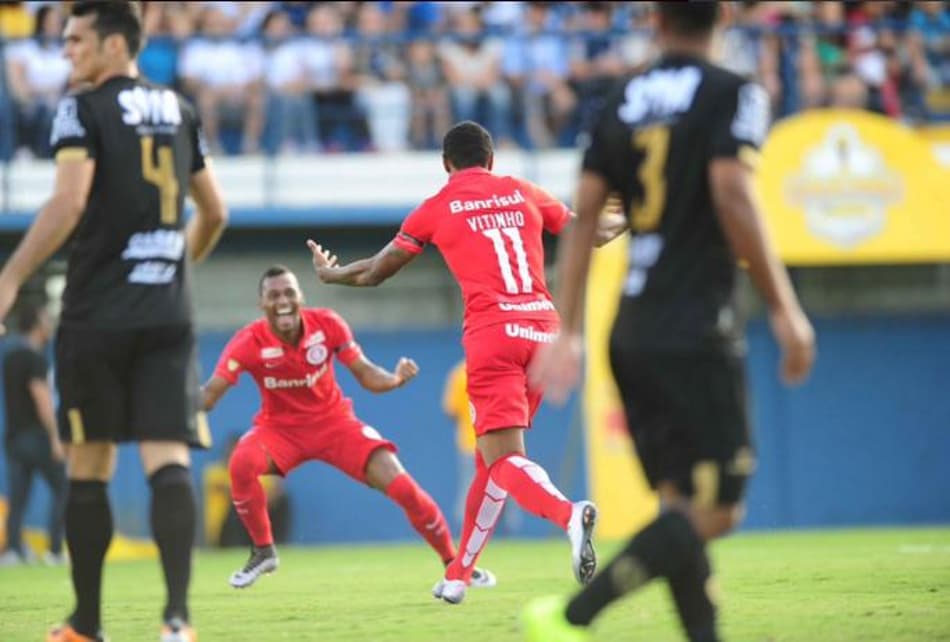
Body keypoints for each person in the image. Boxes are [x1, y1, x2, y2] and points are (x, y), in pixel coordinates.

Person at [523, 4, 817, 642]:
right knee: (720, 509)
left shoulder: (623, 97)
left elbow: (586, 213)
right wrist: (786, 310)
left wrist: (568, 328)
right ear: (726, 15)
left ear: (655, 20)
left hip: (630, 328)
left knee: (679, 505)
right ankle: (574, 616)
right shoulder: (733, 93)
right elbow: (732, 192)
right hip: (695, 326)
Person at [307, 120, 628, 605]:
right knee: (493, 463)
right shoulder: (522, 190)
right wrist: (640, 211)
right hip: (543, 329)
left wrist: (332, 276)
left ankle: (569, 514)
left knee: (504, 461)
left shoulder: (438, 206)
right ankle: (459, 574)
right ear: (492, 159)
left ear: (445, 163)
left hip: (493, 336)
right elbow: (597, 232)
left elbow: (375, 272)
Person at [0, 2, 229, 641]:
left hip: (97, 313)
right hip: (167, 313)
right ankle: (177, 622)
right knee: (168, 459)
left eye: (75, 39)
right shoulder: (179, 109)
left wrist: (11, 275)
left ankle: (87, 625)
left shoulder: (83, 108)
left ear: (112, 45)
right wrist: (176, 259)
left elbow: (69, 200)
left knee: (90, 465)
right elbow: (214, 213)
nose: (66, 51)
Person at [201, 265, 495, 591]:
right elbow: (211, 393)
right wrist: (176, 404)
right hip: (279, 430)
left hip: (335, 424)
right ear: (262, 304)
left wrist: (395, 378)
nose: (282, 300)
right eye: (273, 295)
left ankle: (455, 565)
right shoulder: (248, 341)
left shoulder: (327, 324)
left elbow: (366, 373)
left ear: (301, 297)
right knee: (240, 462)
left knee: (403, 486)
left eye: (289, 293)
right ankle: (263, 551)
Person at [0, 302, 67, 566]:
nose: (49, 325)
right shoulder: (35, 358)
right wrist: (55, 438)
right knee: (63, 488)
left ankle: (13, 550)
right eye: (45, 320)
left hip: (14, 437)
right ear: (37, 325)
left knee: (19, 496)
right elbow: (42, 399)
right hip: (37, 437)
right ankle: (54, 550)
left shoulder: (9, 357)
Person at [442, 359, 520, 534]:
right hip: (501, 442)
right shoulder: (498, 369)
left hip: (471, 443)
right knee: (506, 490)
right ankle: (509, 535)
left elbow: (450, 411)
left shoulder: (458, 374)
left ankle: (468, 535)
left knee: (471, 492)